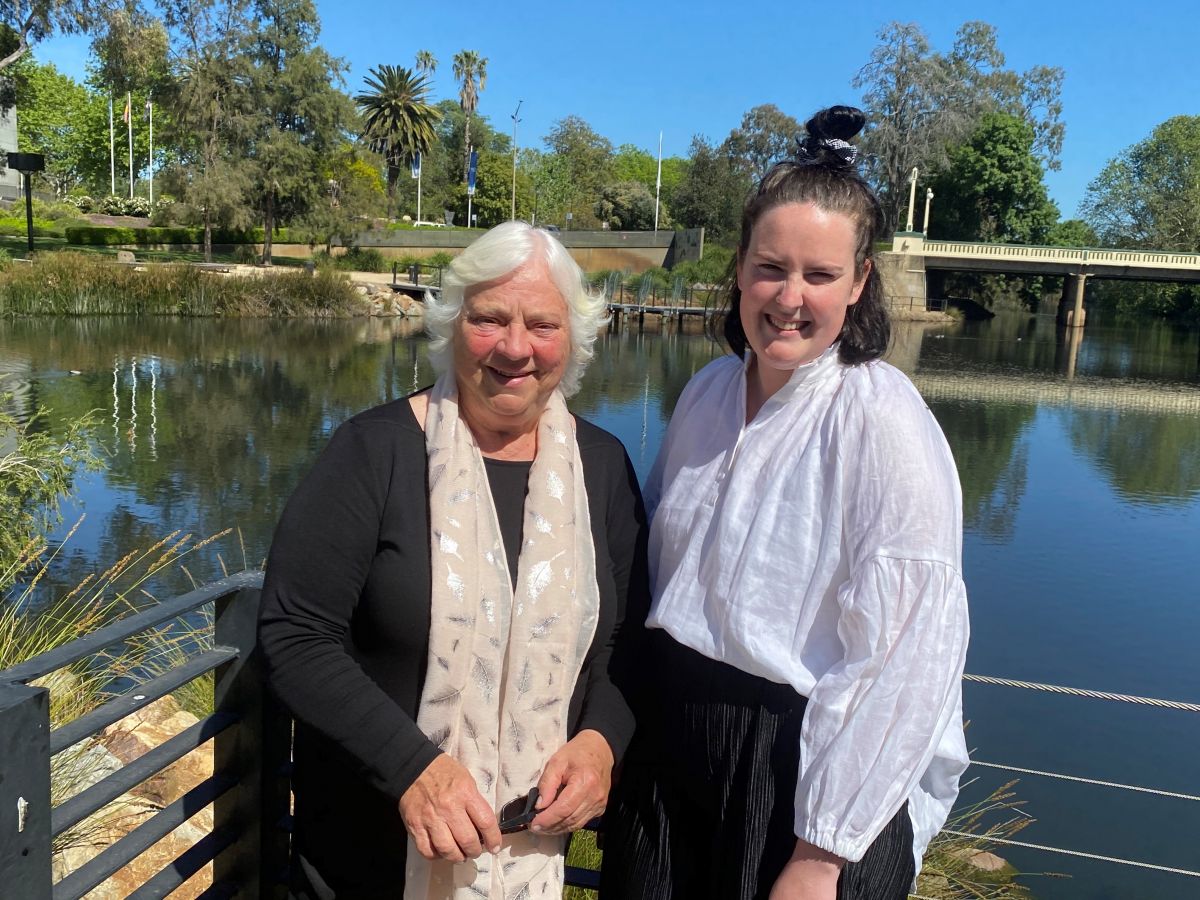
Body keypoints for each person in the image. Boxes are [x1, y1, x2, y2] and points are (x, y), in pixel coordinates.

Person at [601, 106, 970, 900]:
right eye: (771, 267)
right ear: (739, 268)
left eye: (820, 275)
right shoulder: (705, 392)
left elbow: (908, 651)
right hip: (672, 752)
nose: (789, 297)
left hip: (799, 768)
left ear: (861, 282)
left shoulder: (881, 420)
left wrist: (821, 852)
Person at [259, 221, 648, 900]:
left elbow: (626, 642)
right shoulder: (371, 452)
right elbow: (294, 635)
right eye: (489, 318)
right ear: (451, 324)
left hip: (531, 856)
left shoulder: (604, 467)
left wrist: (600, 745)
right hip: (371, 860)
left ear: (575, 340)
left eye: (543, 325)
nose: (515, 348)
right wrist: (412, 768)